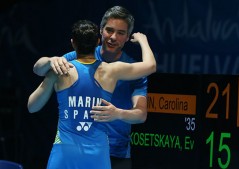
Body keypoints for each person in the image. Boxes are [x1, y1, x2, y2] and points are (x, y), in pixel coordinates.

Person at [28, 20, 156, 169]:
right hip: (97, 155)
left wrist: (49, 68)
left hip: (64, 153)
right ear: (97, 42)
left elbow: (32, 106)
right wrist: (143, 41)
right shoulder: (112, 71)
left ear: (73, 43)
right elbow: (151, 66)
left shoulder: (60, 70)